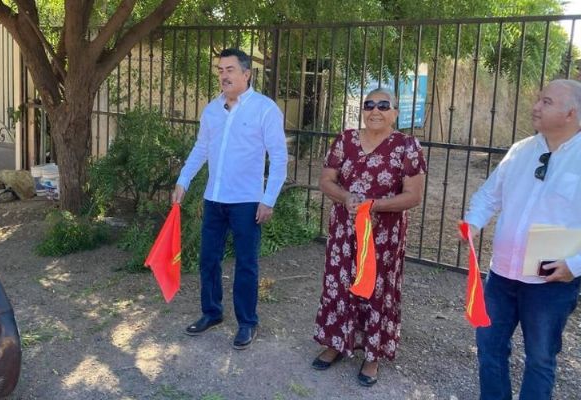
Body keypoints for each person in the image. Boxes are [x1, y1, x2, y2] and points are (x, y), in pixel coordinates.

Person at [463, 79, 581, 400]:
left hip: (551, 282)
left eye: (546, 102)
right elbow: (490, 195)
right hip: (500, 276)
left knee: (540, 359)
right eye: (539, 99)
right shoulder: (521, 150)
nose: (536, 107)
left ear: (571, 113)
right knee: (489, 349)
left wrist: (575, 264)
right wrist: (472, 222)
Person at [171, 48, 288, 350]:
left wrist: (269, 199)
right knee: (208, 259)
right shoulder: (211, 110)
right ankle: (212, 313)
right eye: (220, 69)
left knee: (246, 264)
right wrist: (183, 180)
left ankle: (247, 322)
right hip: (214, 199)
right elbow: (200, 149)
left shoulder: (265, 109)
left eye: (230, 69)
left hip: (247, 202)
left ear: (247, 74)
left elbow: (278, 157)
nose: (223, 75)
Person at [312, 87, 426, 387]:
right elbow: (326, 180)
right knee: (341, 283)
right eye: (369, 104)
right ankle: (336, 342)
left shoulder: (407, 146)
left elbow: (413, 196)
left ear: (395, 113)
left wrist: (374, 205)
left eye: (383, 105)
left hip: (383, 236)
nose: (375, 110)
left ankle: (372, 353)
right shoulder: (345, 140)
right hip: (344, 231)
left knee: (377, 289)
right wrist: (346, 197)